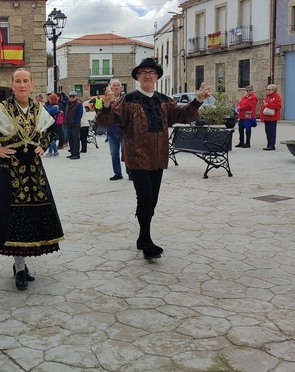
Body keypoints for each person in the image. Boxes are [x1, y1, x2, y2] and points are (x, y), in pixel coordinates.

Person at [97, 57, 209, 259]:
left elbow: (183, 115)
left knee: (152, 200)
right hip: (137, 156)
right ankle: (147, 241)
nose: (147, 75)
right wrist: (106, 105)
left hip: (158, 158)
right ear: (138, 77)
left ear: (157, 76)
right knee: (145, 198)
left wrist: (198, 100)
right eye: (143, 72)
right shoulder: (128, 100)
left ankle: (142, 237)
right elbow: (108, 120)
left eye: (151, 72)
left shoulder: (164, 100)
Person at [0, 68, 64, 290]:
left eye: (26, 81)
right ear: (12, 85)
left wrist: (44, 145)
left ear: (32, 85)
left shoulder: (38, 109)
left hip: (34, 170)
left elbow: (53, 128)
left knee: (30, 214)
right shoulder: (2, 109)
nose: (22, 85)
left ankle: (22, 264)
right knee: (13, 218)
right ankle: (20, 267)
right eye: (17, 81)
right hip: (9, 170)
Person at [102, 79, 131, 180]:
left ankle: (130, 172)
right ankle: (117, 173)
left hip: (123, 131)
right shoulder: (107, 100)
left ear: (121, 87)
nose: (116, 87)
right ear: (111, 87)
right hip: (111, 131)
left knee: (126, 153)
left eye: (118, 85)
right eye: (114, 85)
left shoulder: (125, 99)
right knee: (114, 154)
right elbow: (103, 114)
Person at [259, 84, 282, 151]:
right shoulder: (267, 97)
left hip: (272, 117)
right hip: (266, 117)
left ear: (274, 90)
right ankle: (268, 144)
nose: (267, 91)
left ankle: (272, 145)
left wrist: (268, 105)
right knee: (267, 131)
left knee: (272, 131)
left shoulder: (276, 97)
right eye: (267, 89)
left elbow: (278, 106)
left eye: (269, 89)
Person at [64, 91, 83, 159]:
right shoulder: (68, 104)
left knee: (75, 140)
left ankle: (76, 154)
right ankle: (72, 152)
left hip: (75, 125)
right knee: (70, 140)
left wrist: (74, 121)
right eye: (70, 96)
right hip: (68, 125)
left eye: (73, 96)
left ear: (76, 97)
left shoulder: (78, 104)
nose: (72, 97)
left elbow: (79, 114)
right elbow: (66, 113)